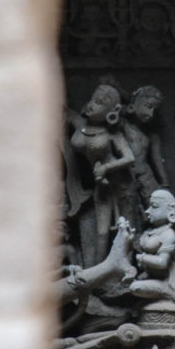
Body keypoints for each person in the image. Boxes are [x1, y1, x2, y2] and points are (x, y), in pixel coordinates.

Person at [68, 83, 135, 265]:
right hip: (100, 183)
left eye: (99, 103)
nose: (92, 105)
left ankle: (123, 270)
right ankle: (98, 274)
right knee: (102, 228)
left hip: (120, 182)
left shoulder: (111, 133)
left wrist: (107, 168)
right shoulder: (80, 124)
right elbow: (64, 113)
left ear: (111, 112)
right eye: (93, 99)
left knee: (124, 227)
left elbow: (129, 158)